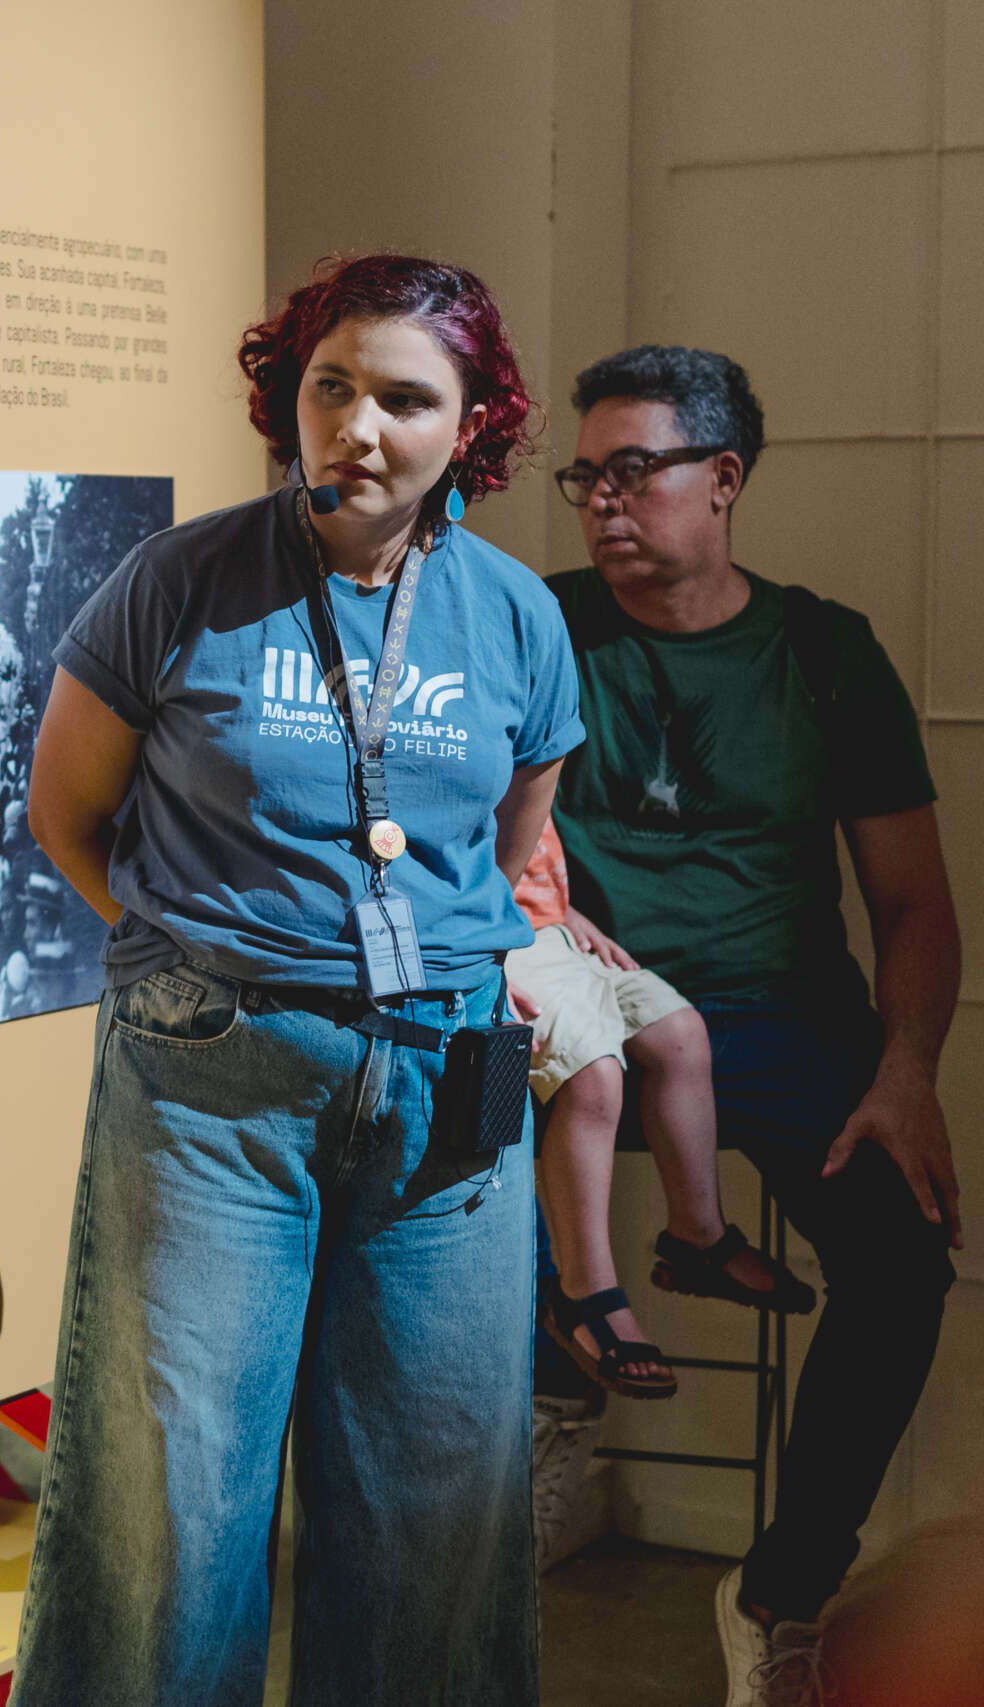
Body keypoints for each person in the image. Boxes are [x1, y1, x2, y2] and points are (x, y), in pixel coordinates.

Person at [10, 254, 578, 1707]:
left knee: (433, 1505)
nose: (360, 427)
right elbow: (69, 817)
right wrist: (184, 956)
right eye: (333, 386)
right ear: (289, 394)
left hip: (449, 1086)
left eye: (405, 397)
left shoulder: (516, 615)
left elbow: (509, 849)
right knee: (172, 1508)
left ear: (472, 426)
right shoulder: (183, 579)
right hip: (214, 1082)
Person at [546, 344, 960, 1706]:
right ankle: (515, 1448)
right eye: (585, 474)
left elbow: (912, 903)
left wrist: (907, 1071)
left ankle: (779, 1590)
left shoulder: (824, 653)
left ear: (722, 480)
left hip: (787, 1023)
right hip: (586, 1010)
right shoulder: (539, 631)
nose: (603, 501)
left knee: (904, 1262)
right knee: (429, 1207)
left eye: (634, 469)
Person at [508, 819, 812, 1401]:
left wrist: (562, 910)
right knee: (593, 1075)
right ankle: (583, 1292)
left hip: (552, 926)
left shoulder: (530, 728)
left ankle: (697, 1238)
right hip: (494, 937)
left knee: (680, 1034)